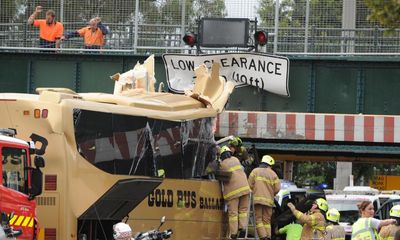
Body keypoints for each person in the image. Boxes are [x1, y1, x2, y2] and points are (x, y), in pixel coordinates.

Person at [219, 146, 251, 239]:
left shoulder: (222, 164)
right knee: (243, 210)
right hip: (245, 188)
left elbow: (213, 172)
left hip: (233, 191)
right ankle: (243, 228)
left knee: (233, 213)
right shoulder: (236, 159)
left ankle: (233, 233)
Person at [248, 155, 281, 240]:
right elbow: (277, 188)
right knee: (266, 220)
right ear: (269, 164)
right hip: (269, 201)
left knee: (258, 219)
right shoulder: (273, 174)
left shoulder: (255, 171)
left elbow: (249, 185)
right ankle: (268, 236)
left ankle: (263, 237)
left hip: (257, 200)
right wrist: (270, 193)